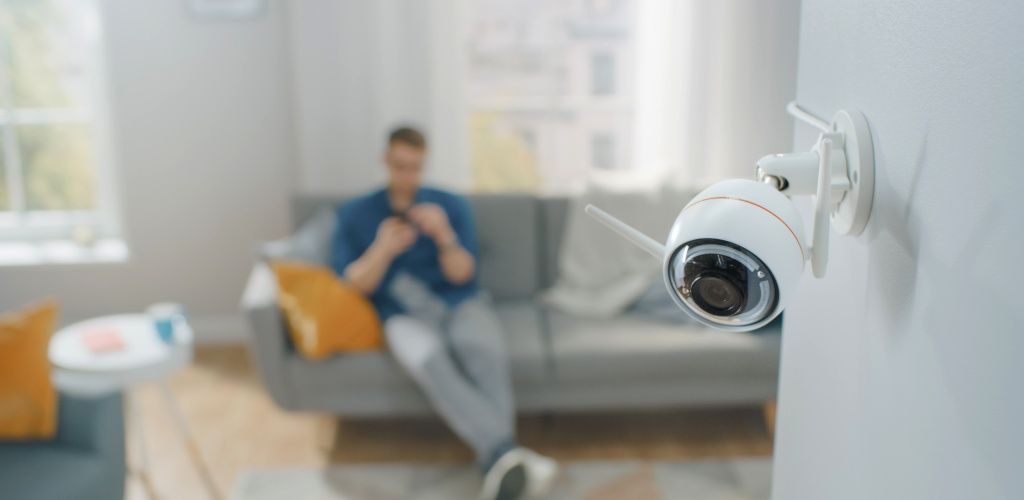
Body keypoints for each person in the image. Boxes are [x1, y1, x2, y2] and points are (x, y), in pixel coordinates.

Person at [330, 126, 557, 500]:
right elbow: (353, 284)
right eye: (400, 166)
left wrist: (444, 237)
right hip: (401, 316)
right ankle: (505, 455)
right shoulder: (356, 214)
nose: (407, 177)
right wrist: (383, 249)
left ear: (424, 165)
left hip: (460, 303)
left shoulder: (449, 206)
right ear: (385, 161)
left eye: (415, 168)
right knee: (430, 360)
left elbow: (463, 273)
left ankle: (500, 460)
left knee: (483, 351)